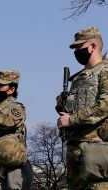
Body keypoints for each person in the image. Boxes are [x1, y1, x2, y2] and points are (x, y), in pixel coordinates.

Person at [56, 27, 108, 189]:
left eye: (79, 47)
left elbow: (105, 105)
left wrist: (71, 120)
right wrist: (61, 106)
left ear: (93, 46)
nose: (76, 51)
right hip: (76, 150)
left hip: (97, 150)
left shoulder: (105, 71)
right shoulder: (78, 78)